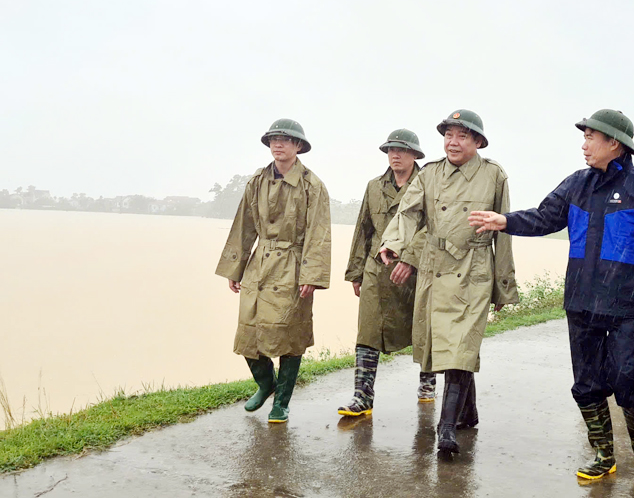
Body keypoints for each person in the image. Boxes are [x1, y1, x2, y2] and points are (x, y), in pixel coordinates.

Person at [469, 109, 634, 481]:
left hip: (628, 302)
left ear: (613, 143)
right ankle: (602, 453)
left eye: (590, 138)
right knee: (586, 383)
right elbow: (544, 217)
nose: (584, 145)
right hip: (581, 299)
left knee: (627, 376)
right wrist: (506, 221)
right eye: (583, 138)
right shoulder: (576, 183)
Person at [378, 109, 518, 454]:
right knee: (447, 348)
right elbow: (409, 212)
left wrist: (503, 284)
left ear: (478, 142)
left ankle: (446, 429)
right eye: (448, 135)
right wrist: (393, 242)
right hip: (434, 268)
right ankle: (466, 412)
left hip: (473, 270)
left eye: (462, 137)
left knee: (460, 347)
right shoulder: (430, 174)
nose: (453, 143)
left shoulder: (494, 175)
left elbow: (505, 234)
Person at [215, 118, 331, 424]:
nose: (278, 145)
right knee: (248, 329)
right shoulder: (257, 180)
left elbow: (319, 233)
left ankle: (282, 401)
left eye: (285, 140)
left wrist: (312, 276)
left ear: (298, 146)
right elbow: (244, 225)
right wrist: (235, 266)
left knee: (289, 333)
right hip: (260, 264)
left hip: (293, 264)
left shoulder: (312, 185)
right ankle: (266, 383)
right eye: (273, 140)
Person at [340, 129, 434, 417]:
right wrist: (356, 272)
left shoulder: (428, 185)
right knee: (367, 331)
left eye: (402, 150)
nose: (395, 155)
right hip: (375, 270)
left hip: (414, 272)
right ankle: (362, 398)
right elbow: (363, 231)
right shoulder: (374, 186)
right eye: (391, 150)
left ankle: (427, 382)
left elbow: (430, 228)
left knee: (422, 329)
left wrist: (409, 258)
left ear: (415, 155)